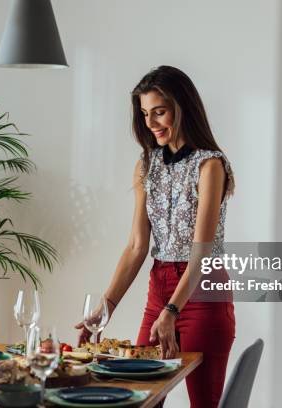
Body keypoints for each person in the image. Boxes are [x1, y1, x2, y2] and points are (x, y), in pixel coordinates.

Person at [75, 65, 236, 408]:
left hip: (202, 293)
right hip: (159, 288)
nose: (150, 123)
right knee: (139, 398)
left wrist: (174, 309)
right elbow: (136, 246)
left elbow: (202, 252)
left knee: (203, 404)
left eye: (159, 112)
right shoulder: (146, 164)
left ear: (183, 107)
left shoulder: (211, 166)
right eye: (145, 113)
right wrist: (104, 309)